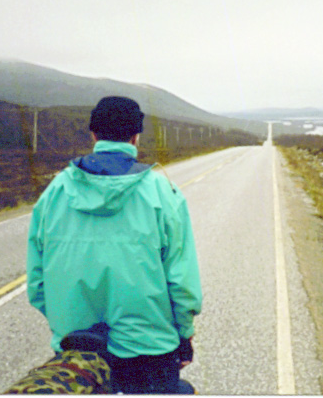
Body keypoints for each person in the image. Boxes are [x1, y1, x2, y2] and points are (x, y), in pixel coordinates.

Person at [26, 96, 202, 394]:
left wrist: (68, 324)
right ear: (136, 137)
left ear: (93, 135)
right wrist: (183, 334)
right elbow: (181, 283)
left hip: (77, 354)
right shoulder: (162, 191)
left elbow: (37, 283)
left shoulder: (54, 192)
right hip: (150, 349)